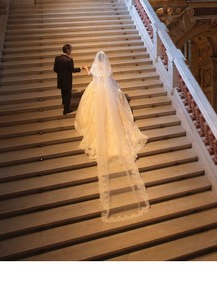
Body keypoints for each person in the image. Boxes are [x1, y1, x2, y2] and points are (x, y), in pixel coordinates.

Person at [75, 51, 150, 222]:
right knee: (116, 115)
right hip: (107, 95)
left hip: (97, 94)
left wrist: (87, 68)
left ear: (96, 60)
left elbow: (91, 75)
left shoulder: (95, 68)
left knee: (94, 116)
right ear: (106, 60)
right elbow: (111, 83)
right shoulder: (108, 71)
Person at [53, 43, 82, 115]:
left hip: (60, 79)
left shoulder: (57, 58)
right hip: (67, 80)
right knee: (68, 94)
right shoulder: (69, 60)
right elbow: (72, 70)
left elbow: (55, 69)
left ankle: (64, 103)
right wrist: (80, 69)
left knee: (63, 92)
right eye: (71, 50)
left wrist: (61, 73)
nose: (71, 52)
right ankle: (66, 110)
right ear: (67, 50)